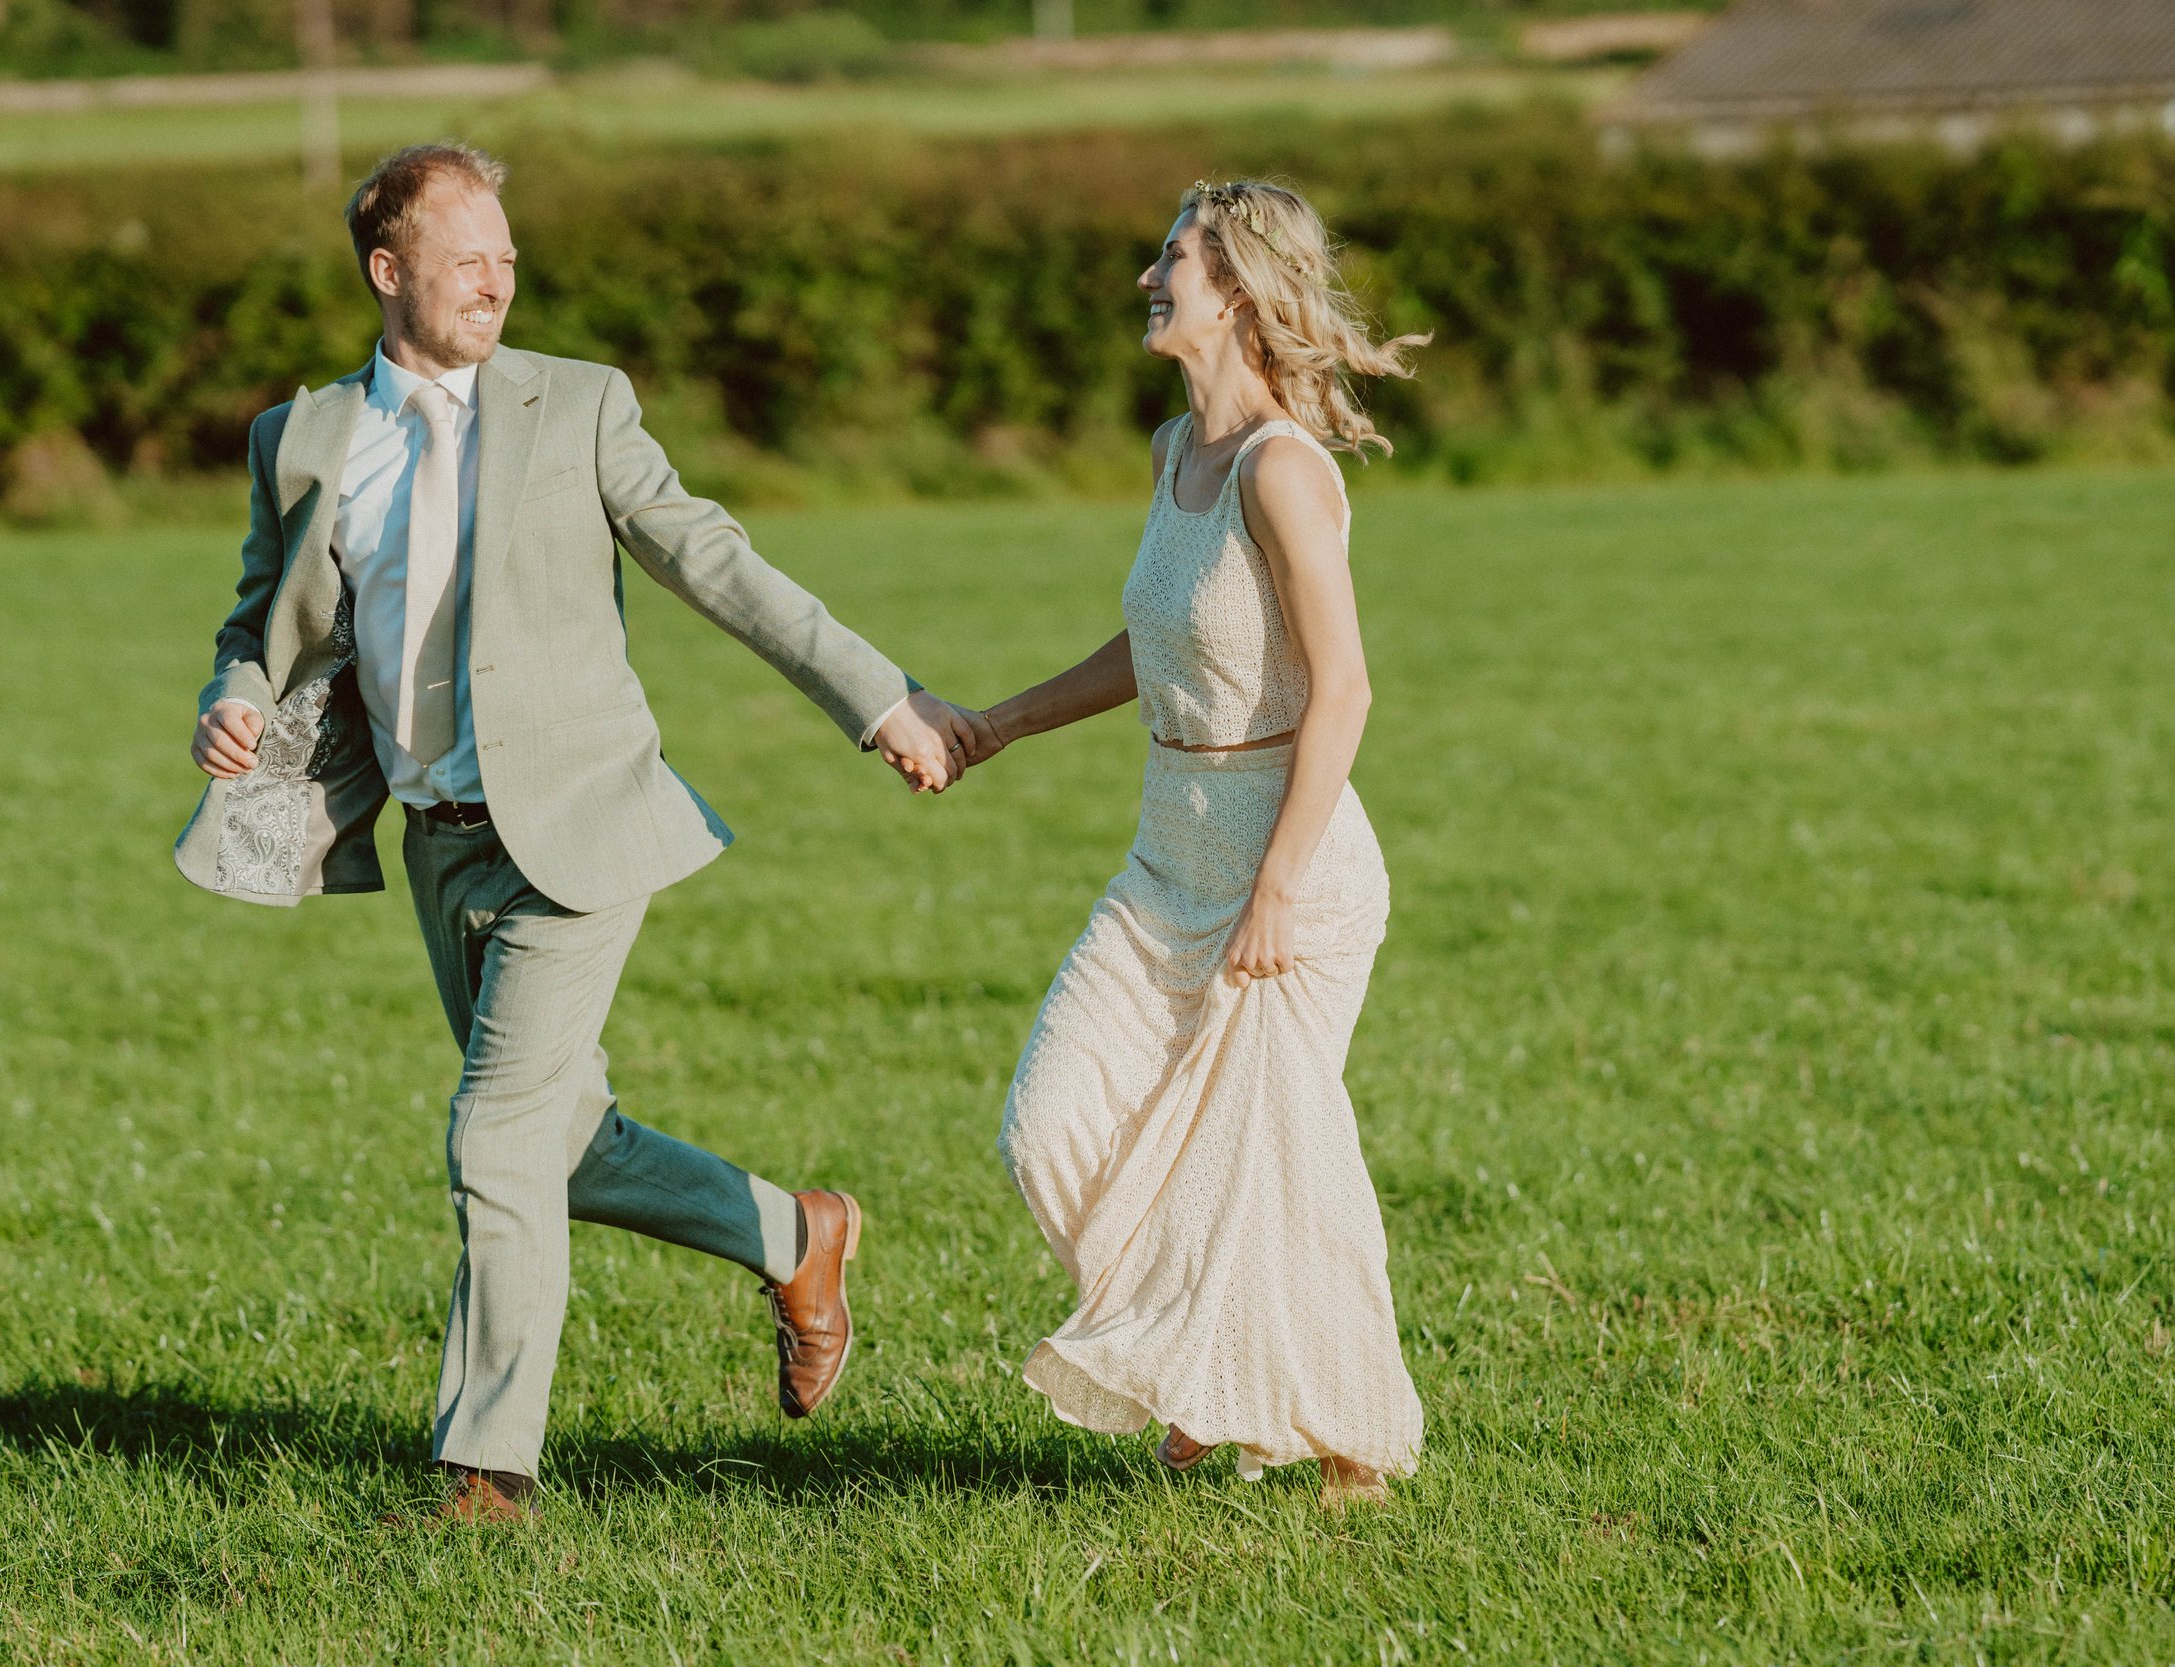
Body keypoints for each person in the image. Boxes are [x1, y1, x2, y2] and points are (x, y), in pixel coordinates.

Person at [174, 143, 978, 1526]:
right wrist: (233, 696)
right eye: (466, 260)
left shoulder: (580, 403)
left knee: (495, 1138)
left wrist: (879, 699)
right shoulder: (300, 438)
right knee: (565, 1142)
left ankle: (486, 1472)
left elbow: (712, 559)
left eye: (508, 259)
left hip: (583, 823)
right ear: (388, 272)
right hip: (437, 842)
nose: (495, 281)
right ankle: (798, 1233)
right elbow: (262, 617)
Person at [948, 180, 1427, 1506]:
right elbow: (1155, 641)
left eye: (1174, 259)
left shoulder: (1283, 470)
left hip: (1290, 875)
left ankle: (1352, 1447)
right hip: (1167, 865)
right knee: (1051, 1126)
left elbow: (1345, 690)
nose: (1150, 277)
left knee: (1274, 1172)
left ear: (1238, 292)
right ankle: (1199, 1368)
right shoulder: (1177, 452)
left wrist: (1278, 889)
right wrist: (1003, 724)